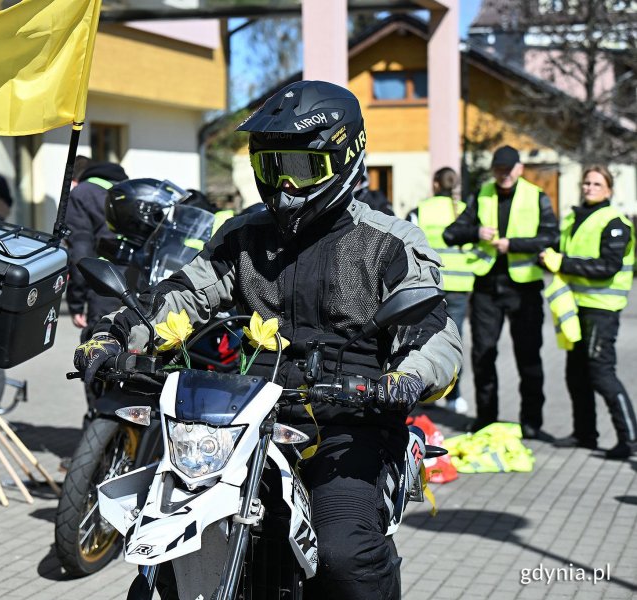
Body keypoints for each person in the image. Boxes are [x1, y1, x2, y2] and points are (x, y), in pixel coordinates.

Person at [73, 81, 462, 600]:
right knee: (170, 542)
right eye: (272, 167)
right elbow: (183, 294)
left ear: (346, 156)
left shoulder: (388, 241)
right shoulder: (243, 234)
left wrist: (403, 381)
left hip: (348, 421)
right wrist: (114, 332)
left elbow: (435, 332)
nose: (284, 186)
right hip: (245, 418)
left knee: (345, 555)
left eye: (301, 168)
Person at [443, 145, 558, 439]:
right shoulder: (481, 194)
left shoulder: (536, 196)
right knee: (483, 354)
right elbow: (451, 233)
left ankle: (531, 423)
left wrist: (514, 244)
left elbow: (551, 237)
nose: (504, 174)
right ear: (494, 170)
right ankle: (486, 420)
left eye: (509, 169)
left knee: (528, 357)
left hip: (525, 289)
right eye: (499, 169)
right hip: (487, 288)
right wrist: (476, 232)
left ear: (519, 169)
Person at [542, 166, 636, 460]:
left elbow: (607, 267)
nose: (589, 187)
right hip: (575, 308)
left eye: (597, 183)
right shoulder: (574, 219)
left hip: (602, 310)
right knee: (576, 374)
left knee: (601, 374)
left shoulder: (615, 223)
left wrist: (562, 262)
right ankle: (585, 434)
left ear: (609, 189)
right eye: (586, 182)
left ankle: (630, 439)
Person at [407, 167, 473, 414]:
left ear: (435, 184)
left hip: (430, 286)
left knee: (424, 339)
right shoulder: (467, 211)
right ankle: (455, 396)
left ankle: (425, 392)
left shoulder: (420, 210)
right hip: (461, 286)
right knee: (455, 341)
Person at [64, 158, 128, 333]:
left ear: (75, 179)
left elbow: (80, 252)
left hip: (106, 286)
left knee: (102, 350)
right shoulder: (127, 192)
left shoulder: (81, 194)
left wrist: (76, 303)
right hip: (140, 284)